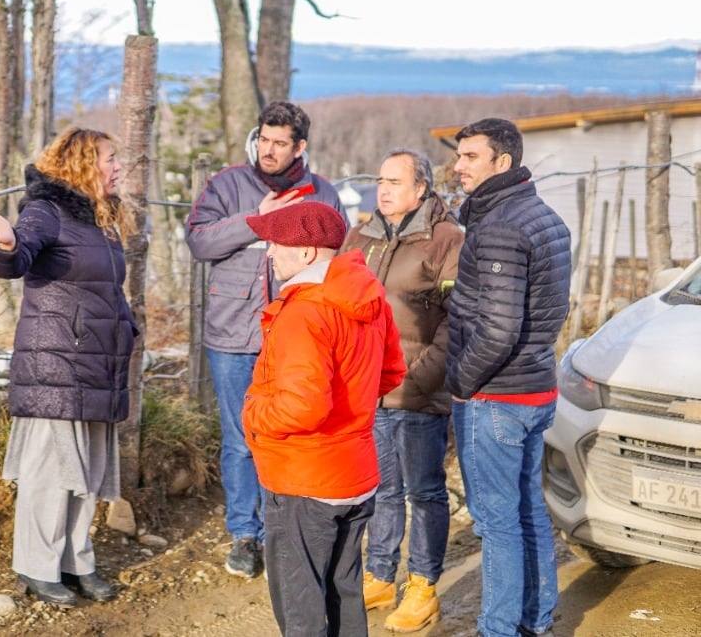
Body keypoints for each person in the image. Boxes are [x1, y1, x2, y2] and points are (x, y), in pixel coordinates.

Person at [0, 126, 138, 608]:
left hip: (100, 363)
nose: (118, 166)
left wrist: (127, 329)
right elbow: (18, 257)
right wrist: (4, 243)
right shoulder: (47, 210)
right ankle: (37, 567)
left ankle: (77, 562)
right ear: (84, 163)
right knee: (49, 471)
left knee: (87, 473)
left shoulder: (101, 220)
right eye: (109, 158)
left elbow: (109, 291)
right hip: (55, 363)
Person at [185, 101, 345, 578]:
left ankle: (287, 530)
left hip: (296, 337)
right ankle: (245, 534)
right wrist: (255, 221)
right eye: (264, 140)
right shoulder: (228, 184)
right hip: (233, 334)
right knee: (240, 440)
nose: (269, 151)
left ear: (300, 147)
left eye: (280, 143)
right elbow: (198, 242)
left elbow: (335, 263)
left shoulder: (322, 194)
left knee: (295, 433)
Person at [242, 201, 407, 636]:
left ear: (308, 252)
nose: (270, 253)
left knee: (302, 608)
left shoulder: (304, 311)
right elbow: (391, 373)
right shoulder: (368, 297)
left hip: (304, 480)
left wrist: (254, 416)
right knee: (345, 592)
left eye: (277, 244)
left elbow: (302, 405)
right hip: (354, 475)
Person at [445, 118, 571, 637]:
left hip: (497, 396)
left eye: (470, 157)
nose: (458, 167)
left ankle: (499, 629)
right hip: (535, 387)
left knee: (497, 523)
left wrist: (461, 382)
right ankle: (535, 620)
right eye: (459, 156)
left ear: (504, 163)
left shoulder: (500, 226)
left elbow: (498, 330)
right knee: (526, 512)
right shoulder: (544, 216)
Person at [341, 149, 463, 633]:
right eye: (380, 180)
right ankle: (381, 572)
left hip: (417, 391)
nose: (383, 189)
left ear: (421, 189)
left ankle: (423, 584)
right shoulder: (362, 236)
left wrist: (420, 379)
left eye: (394, 181)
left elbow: (458, 322)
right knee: (382, 488)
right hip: (367, 391)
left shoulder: (445, 239)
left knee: (425, 491)